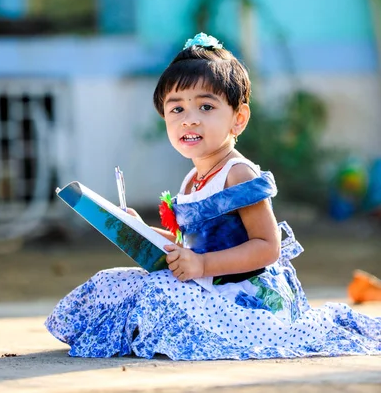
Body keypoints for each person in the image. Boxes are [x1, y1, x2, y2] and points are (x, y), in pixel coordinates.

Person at [45, 33, 381, 360]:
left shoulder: (238, 173)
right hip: (203, 283)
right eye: (176, 110)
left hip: (245, 297)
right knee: (111, 282)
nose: (189, 118)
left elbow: (267, 247)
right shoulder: (193, 178)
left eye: (206, 106)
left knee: (157, 293)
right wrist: (140, 231)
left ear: (239, 118)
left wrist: (202, 265)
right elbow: (188, 246)